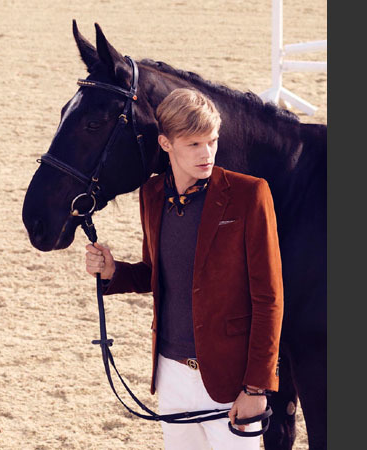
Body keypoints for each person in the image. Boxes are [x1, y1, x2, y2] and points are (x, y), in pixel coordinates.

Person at [84, 88, 283, 449]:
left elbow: (269, 299)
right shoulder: (152, 194)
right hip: (171, 372)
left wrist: (256, 388)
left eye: (212, 141)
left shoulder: (249, 194)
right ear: (166, 143)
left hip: (230, 379)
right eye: (193, 144)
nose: (206, 154)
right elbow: (156, 272)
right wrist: (114, 272)